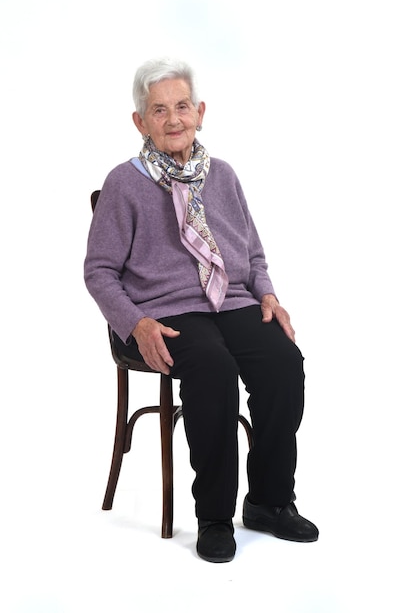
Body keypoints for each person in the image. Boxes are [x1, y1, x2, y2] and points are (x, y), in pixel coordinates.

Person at [84, 57, 318, 563]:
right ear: (139, 121)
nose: (173, 119)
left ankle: (269, 503)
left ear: (200, 112)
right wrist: (135, 323)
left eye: (182, 106)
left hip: (231, 300)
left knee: (283, 363)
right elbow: (98, 272)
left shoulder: (224, 175)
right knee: (213, 369)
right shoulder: (125, 184)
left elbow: (252, 253)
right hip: (162, 311)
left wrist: (270, 295)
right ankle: (214, 517)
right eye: (159, 109)